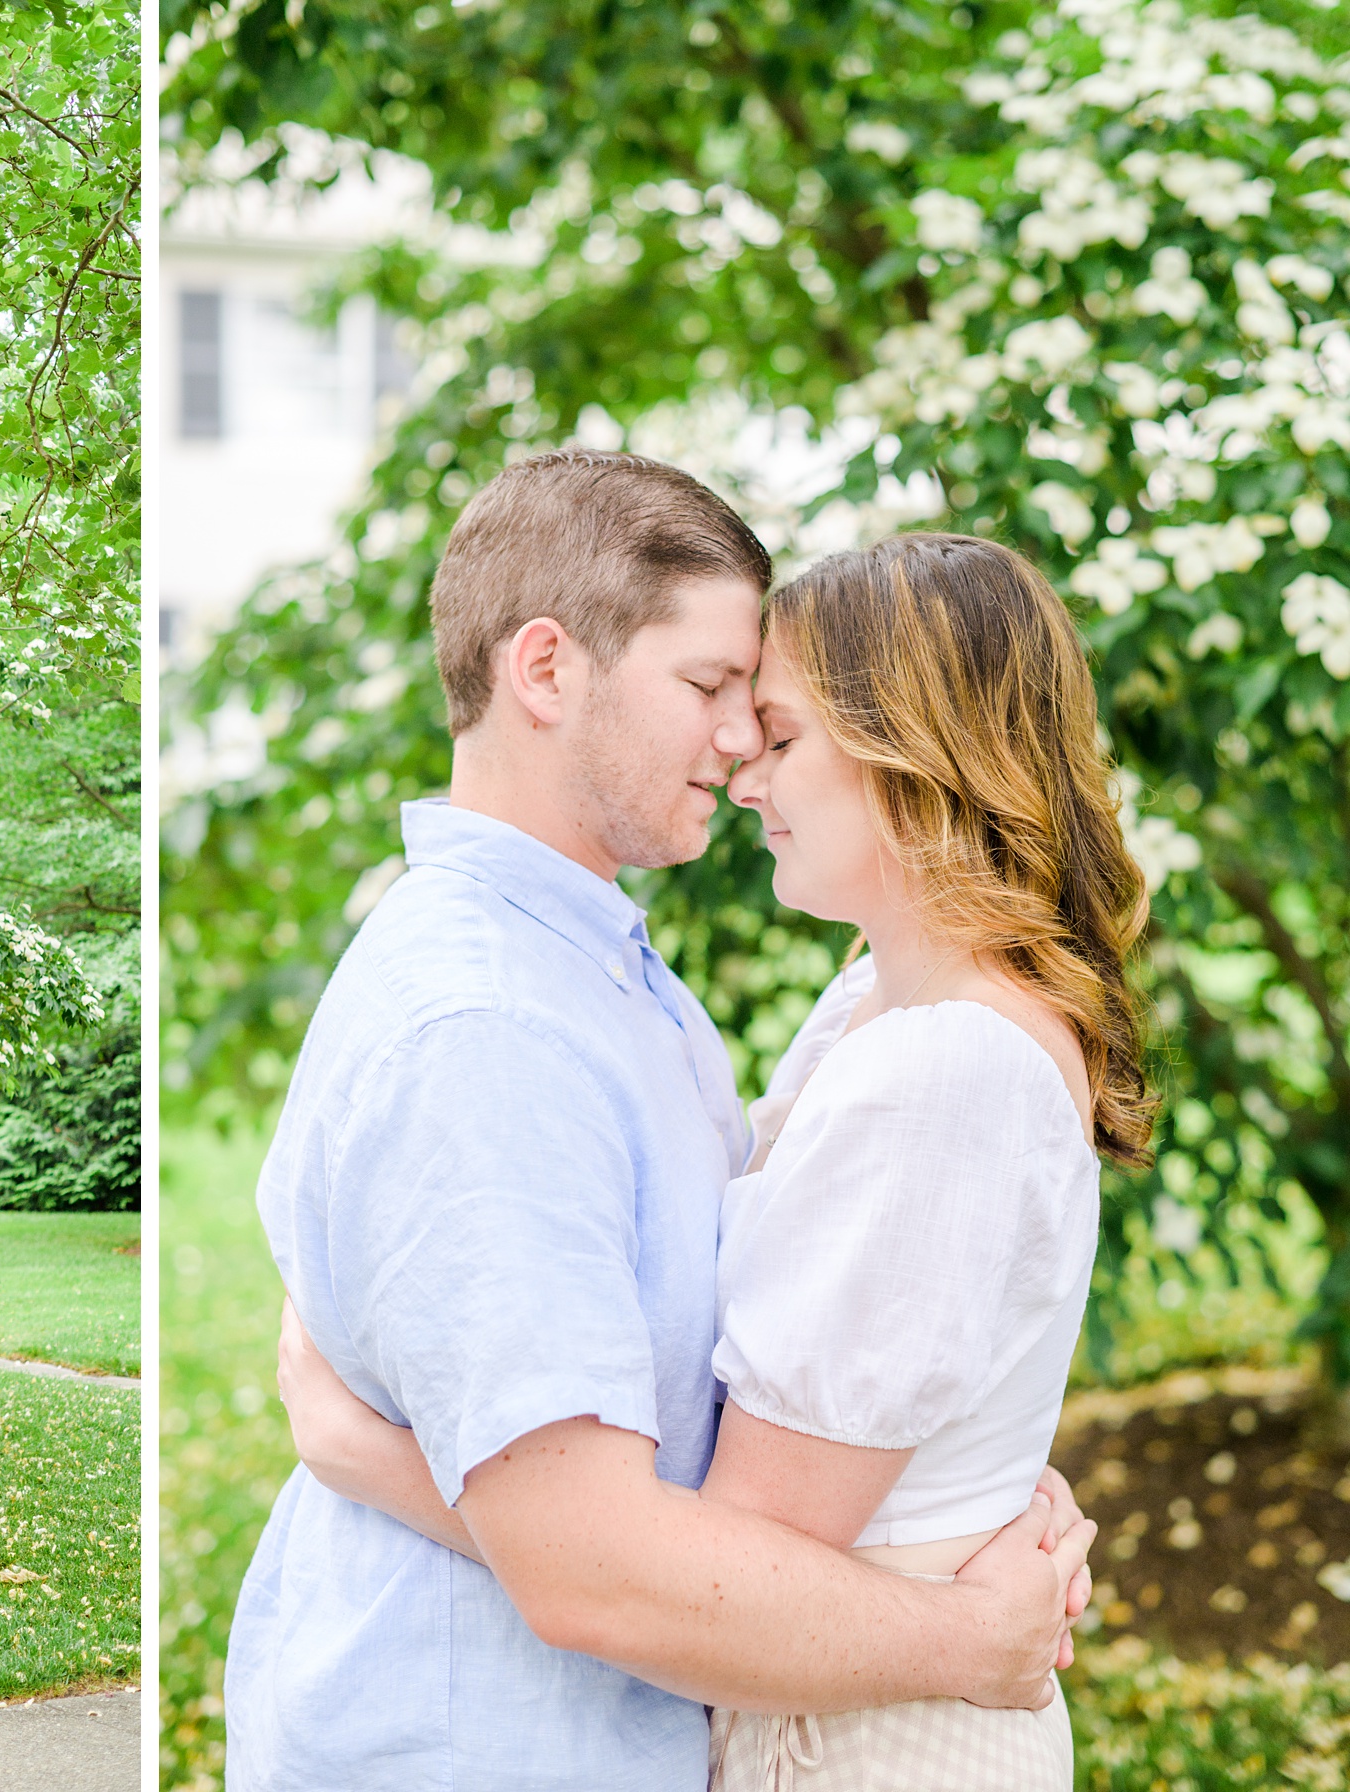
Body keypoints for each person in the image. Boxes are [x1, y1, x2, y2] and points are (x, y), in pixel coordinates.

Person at [221, 453, 1094, 1792]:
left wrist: (970, 1488)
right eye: (709, 690)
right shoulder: (491, 1023)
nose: (743, 743)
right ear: (548, 671)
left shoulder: (610, 977)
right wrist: (965, 1632)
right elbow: (592, 1571)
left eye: (767, 715)